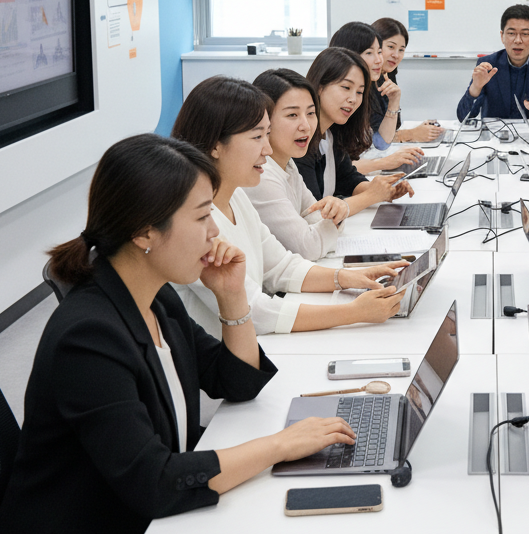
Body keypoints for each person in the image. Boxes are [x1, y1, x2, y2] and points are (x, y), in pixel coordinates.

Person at [0, 134, 346, 534]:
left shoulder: (155, 299)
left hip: (132, 529)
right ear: (144, 231)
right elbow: (155, 481)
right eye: (202, 216)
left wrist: (231, 298)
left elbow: (235, 380)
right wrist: (279, 446)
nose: (215, 231)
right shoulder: (88, 336)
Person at [172, 75, 406, 335]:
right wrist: (354, 312)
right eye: (257, 137)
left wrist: (346, 278)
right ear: (216, 145)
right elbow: (254, 312)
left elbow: (280, 266)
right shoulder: (191, 220)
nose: (267, 149)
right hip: (215, 360)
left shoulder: (235, 195)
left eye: (267, 135)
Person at [297, 46, 417, 217]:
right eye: (346, 87)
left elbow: (347, 178)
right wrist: (371, 195)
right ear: (319, 86)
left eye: (360, 92)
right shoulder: (300, 140)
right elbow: (314, 213)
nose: (353, 99)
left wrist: (383, 190)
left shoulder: (332, 133)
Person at [242, 68, 348, 260]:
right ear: (263, 119)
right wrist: (334, 222)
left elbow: (315, 216)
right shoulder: (261, 174)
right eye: (292, 115)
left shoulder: (287, 163)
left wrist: (337, 213)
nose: (306, 126)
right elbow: (308, 248)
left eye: (310, 113)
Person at [329, 20, 424, 173]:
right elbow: (337, 169)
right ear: (347, 54)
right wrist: (384, 163)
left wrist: (394, 102)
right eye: (370, 53)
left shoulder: (368, 88)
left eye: (379, 52)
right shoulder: (336, 100)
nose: (380, 59)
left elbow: (380, 143)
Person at [456, 3, 529, 125]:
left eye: (525, 34)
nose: (517, 40)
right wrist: (475, 88)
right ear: (502, 36)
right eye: (511, 33)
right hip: (495, 137)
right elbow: (463, 117)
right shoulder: (488, 65)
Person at [371, 16, 441, 143]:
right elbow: (373, 139)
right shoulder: (362, 81)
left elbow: (394, 126)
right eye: (391, 47)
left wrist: (418, 131)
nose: (396, 55)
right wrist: (411, 134)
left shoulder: (388, 75)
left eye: (401, 50)